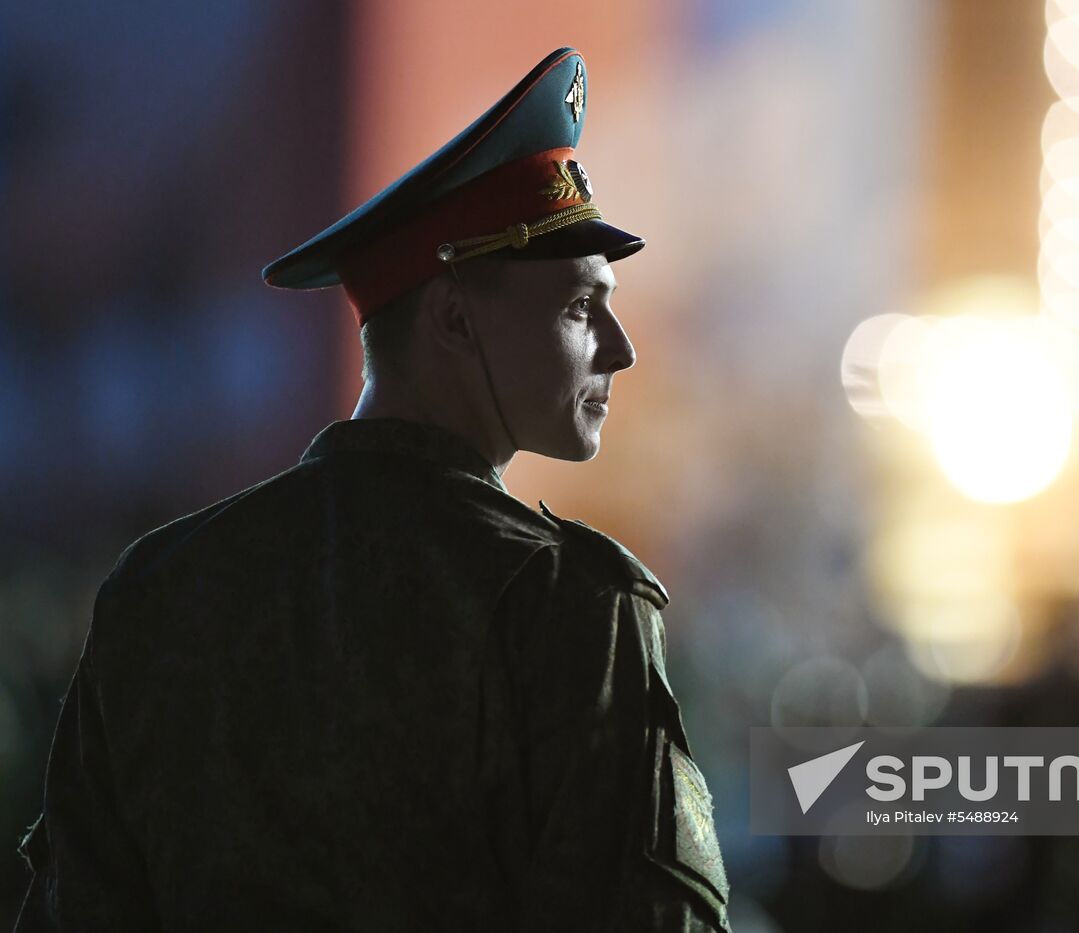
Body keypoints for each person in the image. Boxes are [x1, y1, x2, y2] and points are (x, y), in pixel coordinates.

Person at [13, 47, 731, 932]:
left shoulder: (159, 585)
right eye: (581, 306)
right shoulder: (567, 601)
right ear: (455, 317)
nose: (619, 347)